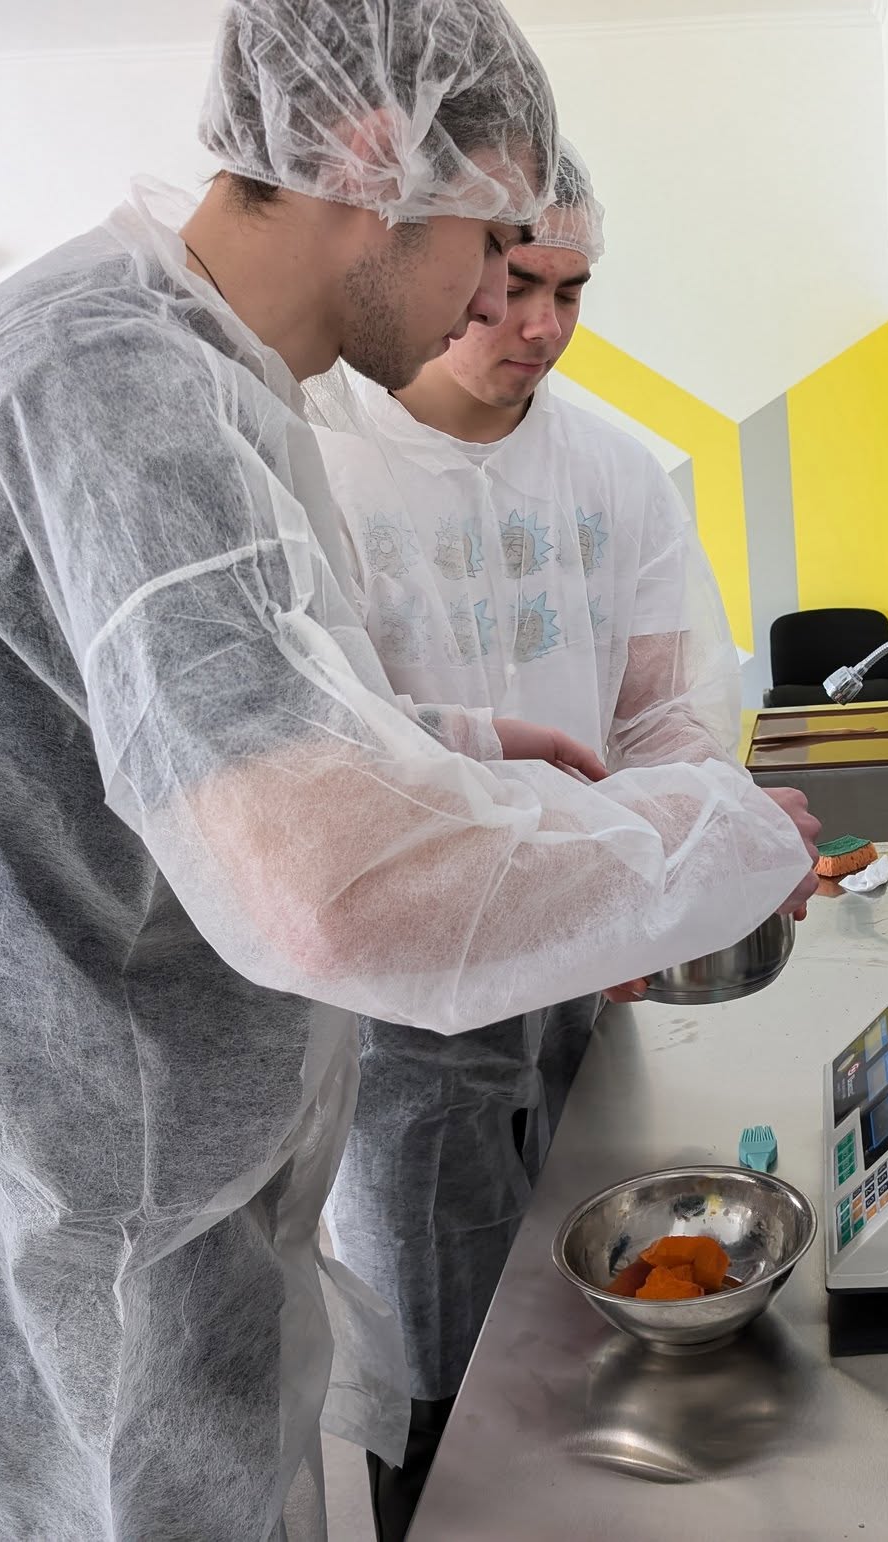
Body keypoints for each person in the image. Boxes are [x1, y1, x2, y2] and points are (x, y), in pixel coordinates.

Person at [0, 3, 819, 1538]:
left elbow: (193, 740)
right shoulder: (113, 383)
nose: (496, 298)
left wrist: (454, 751)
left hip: (153, 1194)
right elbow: (324, 888)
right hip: (87, 1243)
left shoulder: (219, 382)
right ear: (373, 160)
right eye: (487, 239)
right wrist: (713, 844)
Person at [306, 140, 791, 1538]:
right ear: (445, 256)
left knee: (593, 1296)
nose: (541, 326)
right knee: (434, 1358)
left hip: (585, 970)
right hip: (403, 1001)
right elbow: (321, 750)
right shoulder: (325, 462)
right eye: (515, 282)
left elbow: (667, 719)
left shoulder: (616, 476)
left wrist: (678, 863)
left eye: (572, 292)